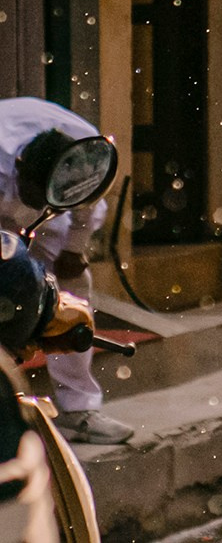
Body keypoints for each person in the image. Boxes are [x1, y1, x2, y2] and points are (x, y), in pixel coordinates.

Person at [0, 98, 132, 445]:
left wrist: (74, 248)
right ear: (19, 166)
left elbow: (88, 201)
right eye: (34, 196)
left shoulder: (87, 154)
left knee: (74, 285)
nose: (40, 206)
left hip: (51, 204)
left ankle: (78, 410)